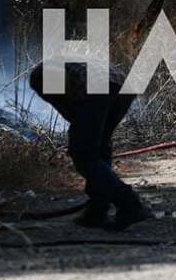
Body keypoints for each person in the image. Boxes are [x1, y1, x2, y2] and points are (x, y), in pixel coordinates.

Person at [30, 61, 150, 230]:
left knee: (84, 154)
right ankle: (98, 210)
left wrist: (79, 131)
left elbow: (64, 98)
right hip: (123, 86)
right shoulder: (60, 67)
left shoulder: (39, 77)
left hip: (98, 87)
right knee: (99, 147)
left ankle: (129, 204)